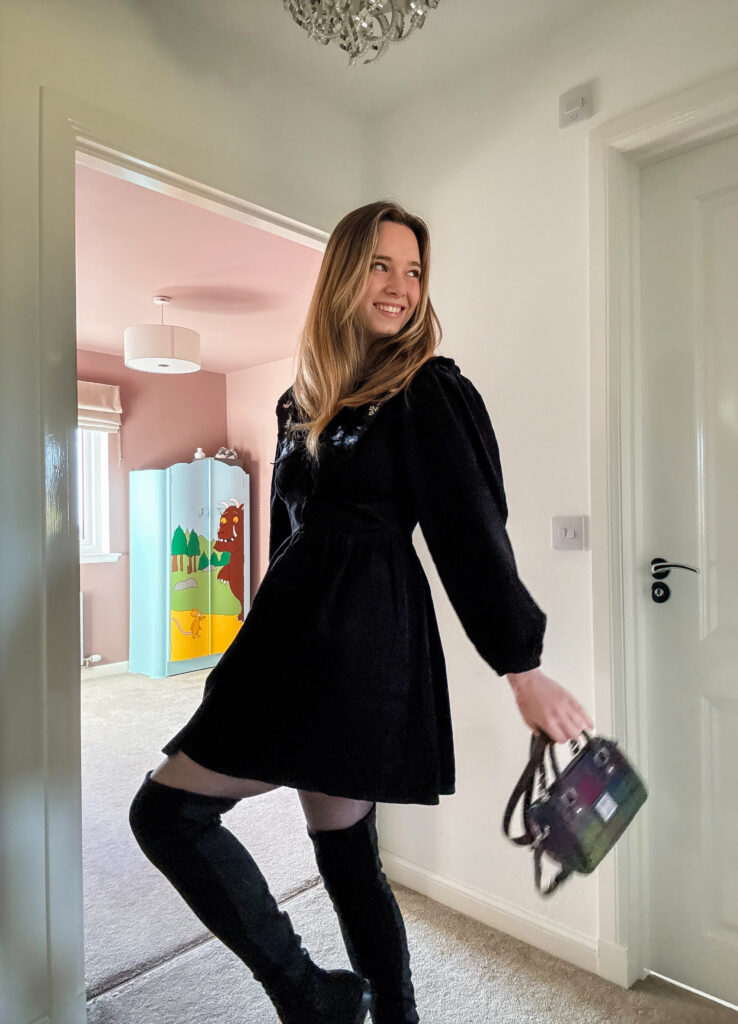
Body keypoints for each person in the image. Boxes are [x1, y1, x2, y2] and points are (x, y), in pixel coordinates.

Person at [128, 200, 594, 1024]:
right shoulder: (297, 400)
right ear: (344, 272)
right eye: (382, 265)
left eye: (413, 271)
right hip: (290, 634)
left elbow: (470, 530)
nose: (400, 287)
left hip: (361, 643)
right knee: (339, 855)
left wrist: (520, 663)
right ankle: (355, 1007)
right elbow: (286, 534)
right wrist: (254, 642)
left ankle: (311, 999)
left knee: (171, 812)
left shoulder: (425, 391)